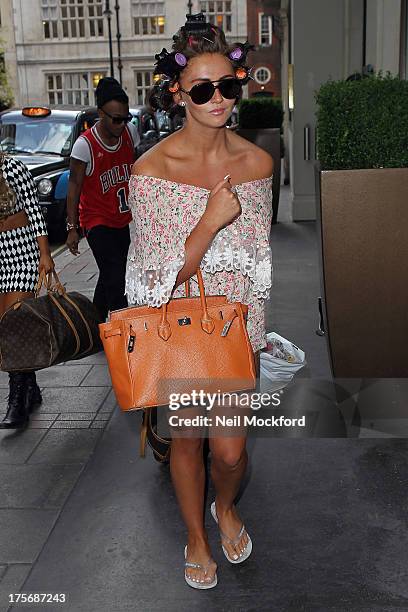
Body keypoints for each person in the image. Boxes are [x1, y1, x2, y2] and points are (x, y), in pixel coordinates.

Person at [125, 14, 273, 589]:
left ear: (238, 87)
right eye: (202, 90)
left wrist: (260, 336)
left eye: (227, 87)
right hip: (180, 334)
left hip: (238, 335)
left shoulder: (258, 165)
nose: (217, 100)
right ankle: (195, 535)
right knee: (188, 442)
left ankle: (226, 507)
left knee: (231, 454)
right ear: (178, 94)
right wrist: (209, 223)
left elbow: (258, 266)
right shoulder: (152, 170)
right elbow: (151, 281)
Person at [66, 77, 140, 322]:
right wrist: (72, 228)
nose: (121, 124)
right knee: (116, 276)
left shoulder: (130, 133)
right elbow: (74, 187)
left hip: (121, 220)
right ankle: (124, 330)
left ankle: (93, 325)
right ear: (100, 113)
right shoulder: (84, 146)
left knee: (110, 273)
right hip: (96, 221)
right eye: (116, 119)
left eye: (125, 118)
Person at [0, 153, 54, 429]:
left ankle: (17, 402)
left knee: (13, 325)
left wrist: (45, 254)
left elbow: (34, 210)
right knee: (5, 329)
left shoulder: (12, 168)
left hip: (21, 254)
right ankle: (31, 389)